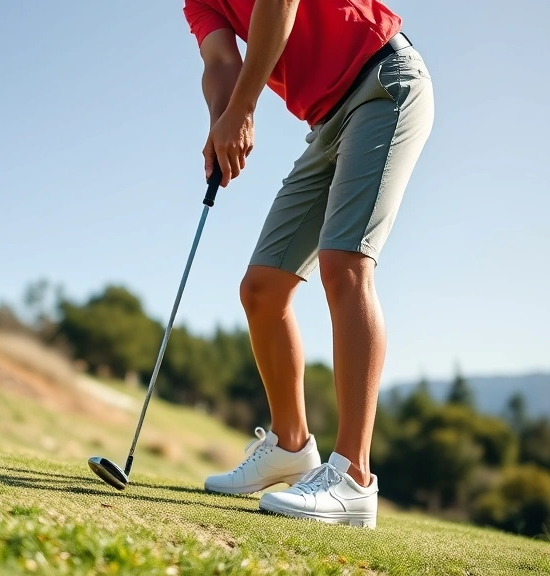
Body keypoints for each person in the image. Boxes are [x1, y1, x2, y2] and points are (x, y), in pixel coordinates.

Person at [182, 0, 434, 528]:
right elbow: (221, 62)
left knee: (345, 264)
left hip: (383, 81)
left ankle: (354, 477)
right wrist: (222, 122)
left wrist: (243, 109)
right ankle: (290, 445)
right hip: (326, 121)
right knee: (262, 289)